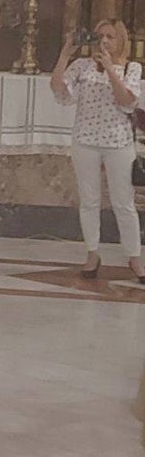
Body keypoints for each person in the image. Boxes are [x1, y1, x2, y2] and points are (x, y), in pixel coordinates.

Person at [50, 19, 144, 281]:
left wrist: (111, 69)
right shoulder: (82, 66)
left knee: (123, 203)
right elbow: (58, 90)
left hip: (118, 142)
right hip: (85, 140)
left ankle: (134, 258)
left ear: (120, 41)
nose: (104, 41)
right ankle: (92, 253)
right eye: (100, 35)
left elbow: (126, 101)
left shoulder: (131, 68)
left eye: (110, 37)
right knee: (89, 201)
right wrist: (65, 55)